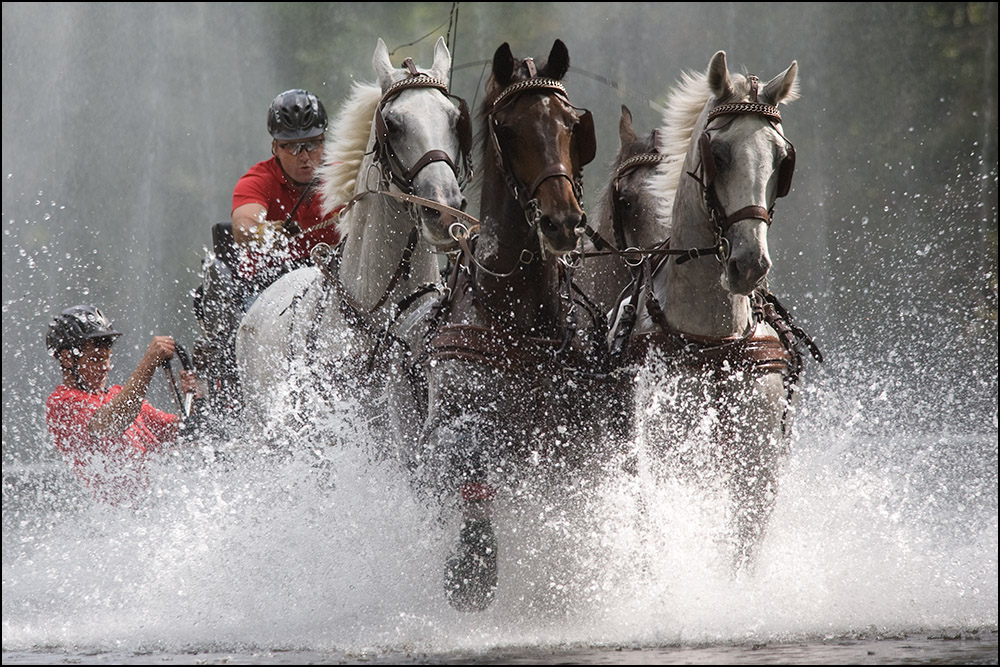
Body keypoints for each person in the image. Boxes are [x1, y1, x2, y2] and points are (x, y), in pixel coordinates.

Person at [45, 304, 201, 507]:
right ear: (67, 358)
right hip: (122, 518)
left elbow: (181, 431)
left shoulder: (116, 395)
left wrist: (192, 395)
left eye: (107, 358)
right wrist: (149, 362)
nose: (106, 367)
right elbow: (113, 423)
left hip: (155, 508)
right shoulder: (62, 403)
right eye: (97, 359)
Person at [231, 88, 343, 289]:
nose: (303, 156)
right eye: (292, 146)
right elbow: (243, 226)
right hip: (266, 282)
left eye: (312, 144)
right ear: (275, 147)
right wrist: (260, 232)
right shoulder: (257, 181)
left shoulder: (343, 177)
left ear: (324, 142)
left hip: (331, 279)